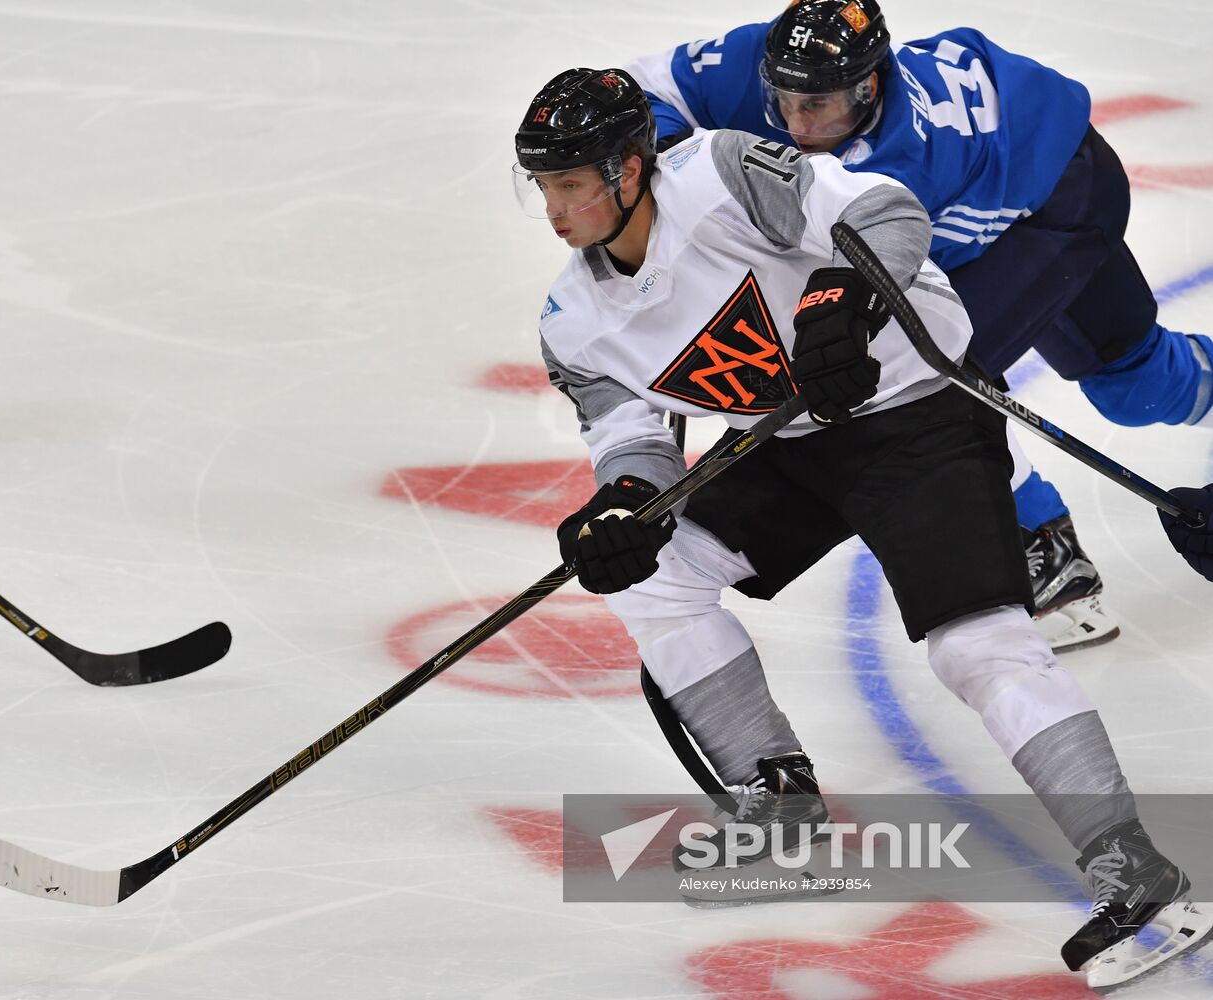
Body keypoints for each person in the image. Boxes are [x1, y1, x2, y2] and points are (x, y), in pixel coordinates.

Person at [514, 65, 1211, 991]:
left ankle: (1137, 875)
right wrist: (618, 510)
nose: (555, 210)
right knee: (656, 574)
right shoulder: (572, 323)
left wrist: (845, 294)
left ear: (630, 169)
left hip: (917, 413)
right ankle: (778, 800)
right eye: (544, 188)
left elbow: (886, 208)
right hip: (796, 444)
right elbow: (630, 439)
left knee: (978, 649)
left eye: (569, 183)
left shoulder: (721, 176)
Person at [625, 0, 1213, 654]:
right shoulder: (756, 60)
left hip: (1056, 200)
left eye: (818, 107)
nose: (796, 124)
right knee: (1133, 387)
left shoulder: (897, 164)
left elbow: (825, 291)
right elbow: (638, 89)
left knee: (928, 383)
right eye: (782, 100)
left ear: (870, 84)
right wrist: (668, 159)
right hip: (985, 178)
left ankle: (1041, 544)